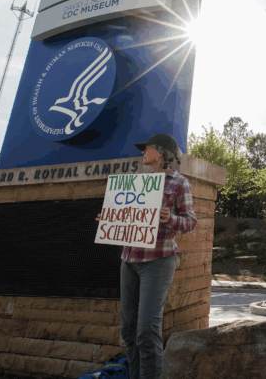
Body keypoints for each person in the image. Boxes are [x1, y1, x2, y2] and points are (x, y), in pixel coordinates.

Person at [97, 133, 197, 379]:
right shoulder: (135, 182)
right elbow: (129, 218)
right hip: (128, 260)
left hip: (159, 261)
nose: (143, 152)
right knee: (129, 330)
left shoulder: (179, 182)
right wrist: (110, 219)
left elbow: (191, 222)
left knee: (145, 330)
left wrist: (170, 218)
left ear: (161, 153)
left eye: (147, 148)